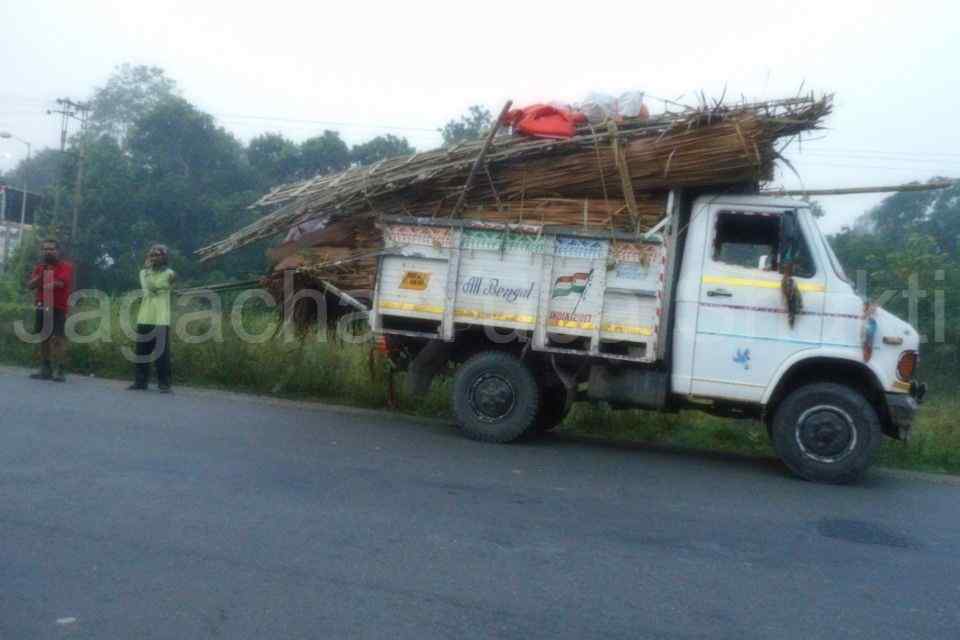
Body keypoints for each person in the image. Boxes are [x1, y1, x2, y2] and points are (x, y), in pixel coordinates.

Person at [129, 244, 176, 392]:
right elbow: (148, 289)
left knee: (162, 353)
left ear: (164, 257)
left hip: (161, 318)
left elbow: (158, 287)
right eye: (152, 255)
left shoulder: (170, 273)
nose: (154, 257)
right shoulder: (143, 273)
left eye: (157, 254)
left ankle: (164, 383)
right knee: (141, 352)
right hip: (144, 316)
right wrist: (149, 273)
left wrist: (155, 285)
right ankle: (140, 382)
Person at [26, 239, 74, 382]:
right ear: (42, 251)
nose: (48, 251)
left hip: (58, 307)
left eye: (52, 249)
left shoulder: (66, 266)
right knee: (44, 338)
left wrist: (42, 281)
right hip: (42, 305)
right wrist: (42, 276)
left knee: (58, 339)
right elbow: (30, 285)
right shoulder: (40, 267)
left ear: (58, 251)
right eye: (45, 249)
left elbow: (59, 283)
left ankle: (60, 370)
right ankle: (45, 368)